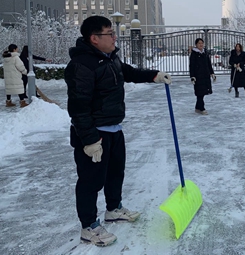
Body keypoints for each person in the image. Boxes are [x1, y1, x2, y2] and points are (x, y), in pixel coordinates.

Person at [64, 16, 172, 247]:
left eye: (114, 33)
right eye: (109, 34)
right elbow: (78, 107)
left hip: (114, 129)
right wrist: (90, 140)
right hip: (94, 133)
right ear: (94, 38)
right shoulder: (81, 65)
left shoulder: (110, 59)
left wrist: (154, 75)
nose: (115, 37)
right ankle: (89, 226)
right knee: (90, 181)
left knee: (115, 173)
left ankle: (113, 209)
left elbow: (129, 73)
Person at [189, 38, 216, 115]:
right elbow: (192, 66)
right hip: (198, 76)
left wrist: (212, 73)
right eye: (199, 43)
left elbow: (209, 64)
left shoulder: (205, 53)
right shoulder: (194, 54)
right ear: (196, 45)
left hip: (205, 75)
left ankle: (197, 107)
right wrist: (192, 76)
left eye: (202, 43)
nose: (201, 45)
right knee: (200, 92)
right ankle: (201, 108)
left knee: (203, 92)